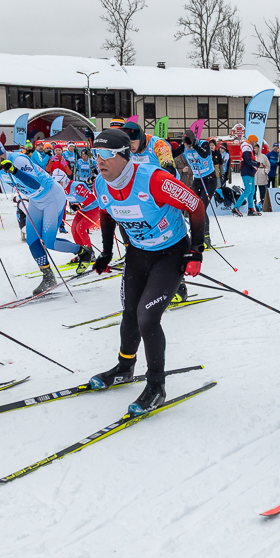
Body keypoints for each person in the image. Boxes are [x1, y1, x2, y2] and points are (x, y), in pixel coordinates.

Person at [87, 129, 207, 417]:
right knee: (129, 311)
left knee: (147, 316)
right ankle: (125, 367)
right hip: (138, 253)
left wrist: (197, 250)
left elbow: (196, 205)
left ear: (125, 155)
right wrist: (105, 252)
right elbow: (106, 213)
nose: (99, 161)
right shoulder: (101, 184)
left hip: (171, 253)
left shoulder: (155, 180)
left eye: (106, 155)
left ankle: (156, 386)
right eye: (95, 154)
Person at [0, 138, 82, 294]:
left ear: (0, 154)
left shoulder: (18, 160)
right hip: (36, 200)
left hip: (51, 196)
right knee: (32, 240)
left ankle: (83, 251)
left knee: (49, 242)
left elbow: (35, 184)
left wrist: (15, 171)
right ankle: (48, 277)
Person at [182, 130, 217, 247]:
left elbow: (205, 154)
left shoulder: (203, 144)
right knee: (192, 207)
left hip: (209, 180)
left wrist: (194, 145)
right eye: (185, 143)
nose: (187, 145)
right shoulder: (185, 147)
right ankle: (194, 235)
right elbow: (173, 152)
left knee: (201, 208)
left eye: (188, 142)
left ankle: (206, 237)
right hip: (198, 180)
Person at [66, 179, 99, 273]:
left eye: (59, 182)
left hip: (94, 207)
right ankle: (82, 253)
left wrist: (80, 205)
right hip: (84, 210)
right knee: (74, 229)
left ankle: (90, 254)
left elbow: (92, 197)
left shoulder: (76, 187)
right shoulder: (61, 189)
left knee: (80, 228)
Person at [233, 134, 261, 216]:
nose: (255, 144)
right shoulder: (246, 147)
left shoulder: (249, 148)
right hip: (246, 171)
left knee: (252, 191)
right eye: (255, 142)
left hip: (250, 172)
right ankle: (236, 207)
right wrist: (258, 164)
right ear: (252, 141)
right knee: (248, 190)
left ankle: (251, 208)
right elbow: (248, 160)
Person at [255, 144, 271, 211]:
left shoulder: (263, 157)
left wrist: (265, 171)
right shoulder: (251, 157)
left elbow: (268, 165)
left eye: (257, 148)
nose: (255, 150)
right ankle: (254, 205)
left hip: (262, 176)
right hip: (254, 176)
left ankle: (263, 204)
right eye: (254, 148)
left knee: (262, 192)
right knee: (253, 192)